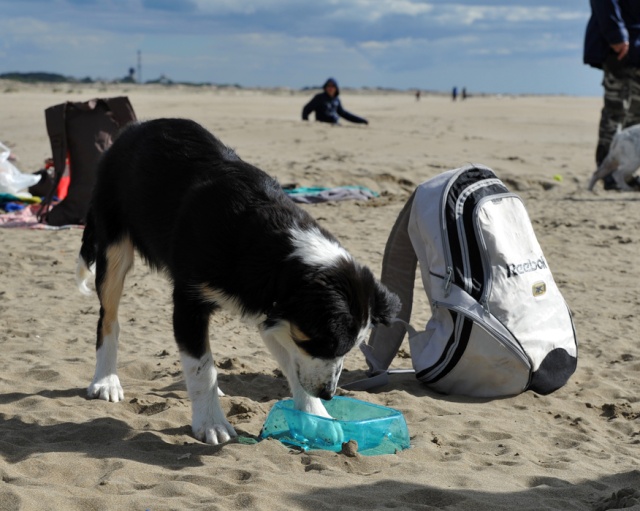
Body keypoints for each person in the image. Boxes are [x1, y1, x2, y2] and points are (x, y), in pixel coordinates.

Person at [584, 1, 640, 188]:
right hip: (620, 48)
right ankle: (607, 175)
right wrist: (616, 34)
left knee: (635, 115)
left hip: (636, 47)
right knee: (616, 112)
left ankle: (626, 175)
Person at [302, 78, 368, 125]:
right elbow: (306, 109)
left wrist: (361, 121)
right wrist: (306, 124)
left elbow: (344, 114)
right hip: (322, 125)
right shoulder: (319, 98)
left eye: (333, 86)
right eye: (328, 86)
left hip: (335, 125)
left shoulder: (336, 100)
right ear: (325, 87)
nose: (330, 88)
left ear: (336, 88)